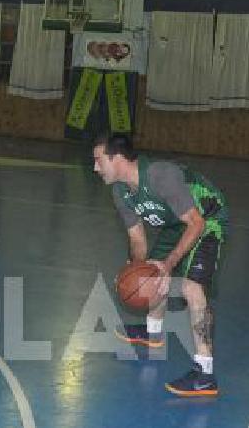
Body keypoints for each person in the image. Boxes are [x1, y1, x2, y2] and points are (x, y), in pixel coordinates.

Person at [92, 133, 228, 397]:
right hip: (178, 222)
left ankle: (205, 373)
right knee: (151, 273)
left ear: (117, 158)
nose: (95, 168)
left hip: (207, 217)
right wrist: (132, 271)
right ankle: (152, 332)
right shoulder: (120, 190)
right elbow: (137, 238)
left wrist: (169, 263)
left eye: (99, 161)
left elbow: (196, 223)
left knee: (191, 287)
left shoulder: (160, 175)